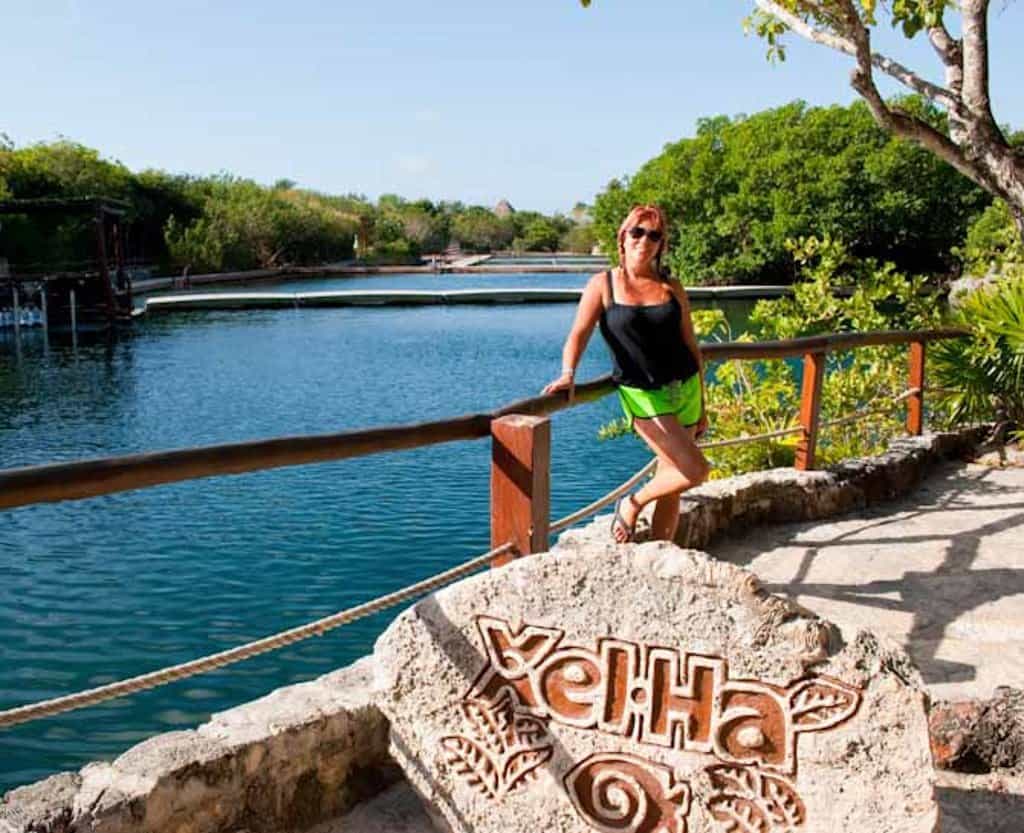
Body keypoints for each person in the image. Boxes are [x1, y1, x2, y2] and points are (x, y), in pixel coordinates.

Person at [541, 204, 710, 543]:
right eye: (637, 232)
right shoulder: (603, 284)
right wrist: (568, 373)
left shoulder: (671, 287)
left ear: (661, 244)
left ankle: (663, 553)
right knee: (695, 469)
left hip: (687, 388)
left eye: (654, 235)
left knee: (672, 481)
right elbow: (578, 334)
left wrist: (703, 401)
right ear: (623, 237)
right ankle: (631, 503)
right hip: (643, 395)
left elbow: (690, 344)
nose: (644, 240)